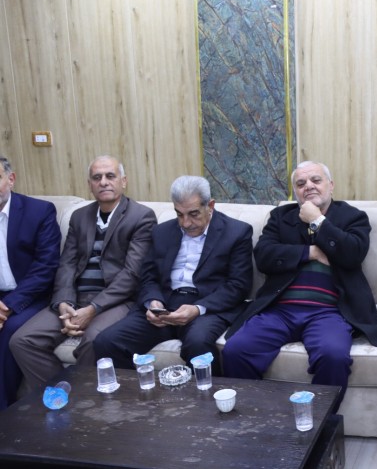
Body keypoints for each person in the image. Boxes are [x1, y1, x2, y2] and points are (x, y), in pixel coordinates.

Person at [223, 161, 377, 410]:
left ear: (331, 186)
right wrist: (310, 252)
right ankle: (256, 418)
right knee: (236, 350)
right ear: (296, 192)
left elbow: (353, 254)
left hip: (329, 311)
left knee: (333, 356)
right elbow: (264, 256)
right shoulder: (281, 217)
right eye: (301, 184)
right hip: (279, 310)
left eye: (316, 180)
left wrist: (317, 221)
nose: (308, 186)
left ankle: (319, 423)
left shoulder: (352, 217)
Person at [11, 156, 157, 390]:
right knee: (22, 340)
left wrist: (92, 309)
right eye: (97, 177)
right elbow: (67, 265)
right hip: (76, 298)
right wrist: (64, 303)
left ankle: (84, 402)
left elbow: (132, 274)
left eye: (110, 176)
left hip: (116, 302)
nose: (103, 182)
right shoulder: (80, 217)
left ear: (123, 181)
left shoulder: (141, 216)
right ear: (90, 184)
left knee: (94, 341)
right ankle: (63, 393)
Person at [93, 175, 252, 375]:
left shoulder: (237, 232)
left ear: (210, 205)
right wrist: (152, 302)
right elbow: (148, 277)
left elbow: (238, 285)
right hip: (165, 305)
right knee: (106, 342)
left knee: (199, 344)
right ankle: (136, 394)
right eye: (179, 214)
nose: (186, 223)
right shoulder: (162, 232)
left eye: (193, 214)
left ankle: (207, 395)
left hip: (206, 307)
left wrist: (197, 309)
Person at [0, 155, 61, 409]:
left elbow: (46, 267)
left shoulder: (39, 211)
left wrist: (6, 307)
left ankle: (5, 412)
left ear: (10, 179)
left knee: (10, 331)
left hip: (32, 296)